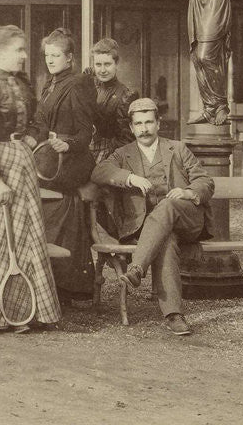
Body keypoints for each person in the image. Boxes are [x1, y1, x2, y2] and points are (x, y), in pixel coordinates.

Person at [0, 24, 60, 331]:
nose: (23, 55)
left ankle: (33, 312)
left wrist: (29, 140)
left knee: (28, 234)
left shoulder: (23, 83)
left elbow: (38, 120)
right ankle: (1, 316)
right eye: (18, 50)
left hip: (20, 160)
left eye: (23, 49)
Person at [91, 98, 214, 336]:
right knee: (165, 243)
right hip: (150, 231)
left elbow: (205, 181)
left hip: (185, 221)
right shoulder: (122, 154)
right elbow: (99, 171)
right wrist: (130, 178)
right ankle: (174, 315)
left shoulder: (177, 149)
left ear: (158, 123)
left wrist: (188, 192)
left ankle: (137, 267)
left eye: (149, 122)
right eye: (138, 124)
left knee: (168, 205)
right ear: (131, 127)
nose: (144, 128)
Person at [27, 28, 97, 307]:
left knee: (45, 190)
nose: (50, 60)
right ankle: (53, 281)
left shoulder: (78, 84)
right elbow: (42, 124)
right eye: (47, 55)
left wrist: (66, 144)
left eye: (56, 55)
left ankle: (68, 283)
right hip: (51, 157)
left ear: (70, 58)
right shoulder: (49, 84)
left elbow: (85, 133)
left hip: (72, 159)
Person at [89, 37, 137, 164]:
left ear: (116, 64)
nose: (102, 70)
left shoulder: (126, 95)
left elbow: (126, 140)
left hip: (107, 156)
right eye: (98, 65)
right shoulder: (87, 86)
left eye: (107, 64)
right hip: (82, 151)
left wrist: (105, 154)